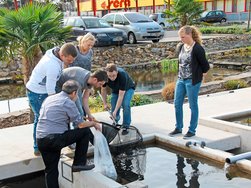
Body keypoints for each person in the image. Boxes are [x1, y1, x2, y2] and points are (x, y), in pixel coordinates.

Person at [36, 80, 101, 188]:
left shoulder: (50, 99)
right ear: (74, 92)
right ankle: (79, 164)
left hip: (41, 140)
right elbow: (80, 125)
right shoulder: (68, 102)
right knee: (84, 131)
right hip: (55, 139)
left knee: (51, 171)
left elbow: (59, 116)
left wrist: (83, 119)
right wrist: (93, 123)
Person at [26, 43, 78, 156]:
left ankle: (67, 141)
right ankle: (37, 147)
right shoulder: (52, 65)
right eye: (69, 60)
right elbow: (50, 90)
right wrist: (57, 105)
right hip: (37, 93)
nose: (70, 63)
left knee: (62, 115)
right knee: (41, 119)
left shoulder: (55, 52)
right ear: (63, 55)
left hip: (44, 89)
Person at [169, 25, 210, 139]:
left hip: (192, 81)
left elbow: (205, 66)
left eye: (183, 37)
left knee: (192, 105)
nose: (181, 39)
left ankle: (192, 130)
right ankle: (178, 127)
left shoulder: (197, 48)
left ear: (190, 35)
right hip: (181, 80)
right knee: (177, 104)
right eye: (180, 37)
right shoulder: (181, 46)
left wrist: (200, 76)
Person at [101, 63, 135, 135]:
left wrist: (115, 111)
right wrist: (105, 103)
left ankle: (126, 126)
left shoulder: (122, 75)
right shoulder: (104, 77)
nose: (112, 78)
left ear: (117, 72)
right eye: (109, 76)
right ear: (107, 74)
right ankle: (115, 121)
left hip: (128, 88)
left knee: (125, 104)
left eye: (114, 75)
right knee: (113, 104)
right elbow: (103, 90)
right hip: (116, 89)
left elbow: (121, 96)